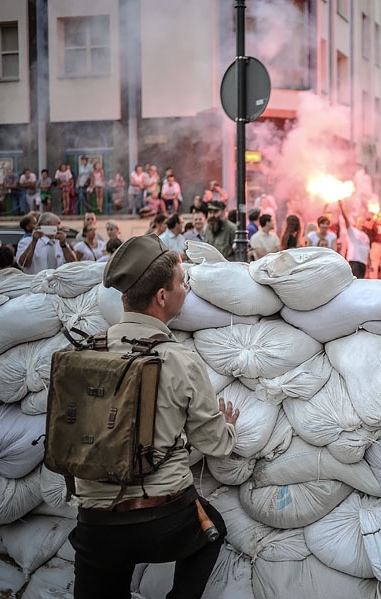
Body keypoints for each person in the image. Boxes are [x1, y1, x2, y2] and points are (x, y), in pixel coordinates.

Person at [69, 234, 239, 598]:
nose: (186, 288)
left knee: (105, 573)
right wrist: (228, 428)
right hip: (162, 521)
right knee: (213, 530)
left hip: (94, 524)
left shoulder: (84, 352)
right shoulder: (179, 359)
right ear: (162, 297)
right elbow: (215, 445)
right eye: (182, 282)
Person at [337, 199, 370, 278]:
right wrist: (341, 208)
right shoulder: (352, 231)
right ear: (356, 222)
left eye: (363, 222)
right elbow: (346, 221)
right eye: (359, 221)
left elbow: (368, 250)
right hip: (354, 261)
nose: (361, 223)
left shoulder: (366, 236)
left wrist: (370, 264)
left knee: (361, 282)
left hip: (363, 263)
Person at [362, 211, 381, 278]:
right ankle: (373, 280)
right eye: (380, 216)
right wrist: (373, 219)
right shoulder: (374, 223)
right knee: (374, 264)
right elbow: (367, 226)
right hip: (376, 245)